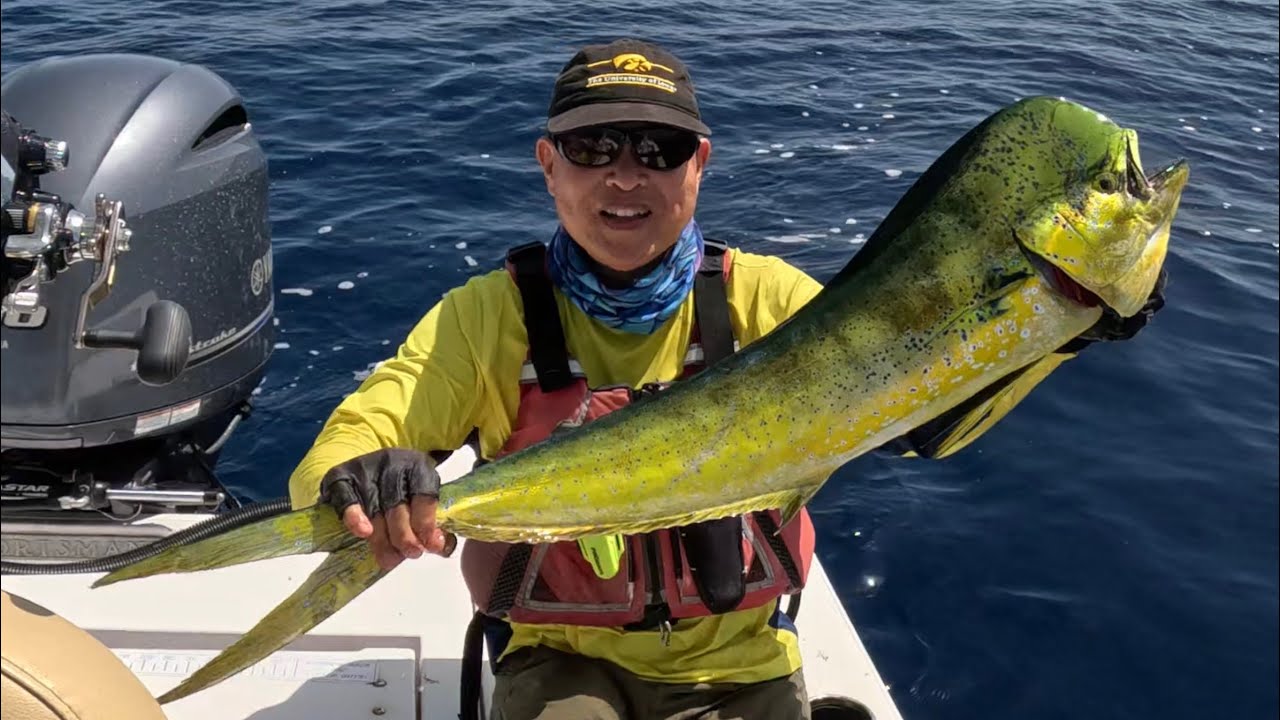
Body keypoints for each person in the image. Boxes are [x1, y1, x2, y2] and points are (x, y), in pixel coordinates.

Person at [286, 38, 1165, 720]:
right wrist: (358, 477)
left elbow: (923, 426)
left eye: (658, 148)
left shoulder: (772, 302)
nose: (625, 174)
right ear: (548, 164)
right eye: (593, 146)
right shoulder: (487, 318)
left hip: (742, 664)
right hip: (560, 659)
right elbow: (356, 436)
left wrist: (1055, 339)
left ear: (698, 164)